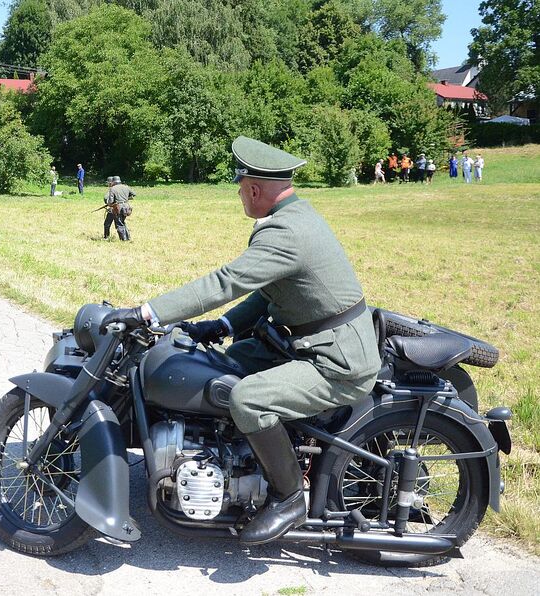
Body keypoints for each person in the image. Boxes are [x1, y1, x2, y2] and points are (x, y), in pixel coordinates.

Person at [99, 136, 381, 545]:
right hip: (314, 342)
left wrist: (147, 312)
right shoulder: (296, 215)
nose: (238, 194)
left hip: (337, 362)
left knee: (247, 399)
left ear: (253, 190)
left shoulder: (284, 233)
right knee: (231, 360)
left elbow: (225, 282)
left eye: (240, 186)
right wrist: (222, 326)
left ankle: (288, 498)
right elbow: (270, 293)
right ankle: (237, 459)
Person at [104, 175, 133, 241]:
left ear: (113, 182)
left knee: (119, 224)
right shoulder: (126, 187)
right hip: (126, 207)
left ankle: (124, 240)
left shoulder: (113, 189)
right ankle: (128, 238)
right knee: (122, 222)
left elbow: (110, 201)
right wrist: (125, 199)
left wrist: (109, 204)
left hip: (117, 208)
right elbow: (133, 194)